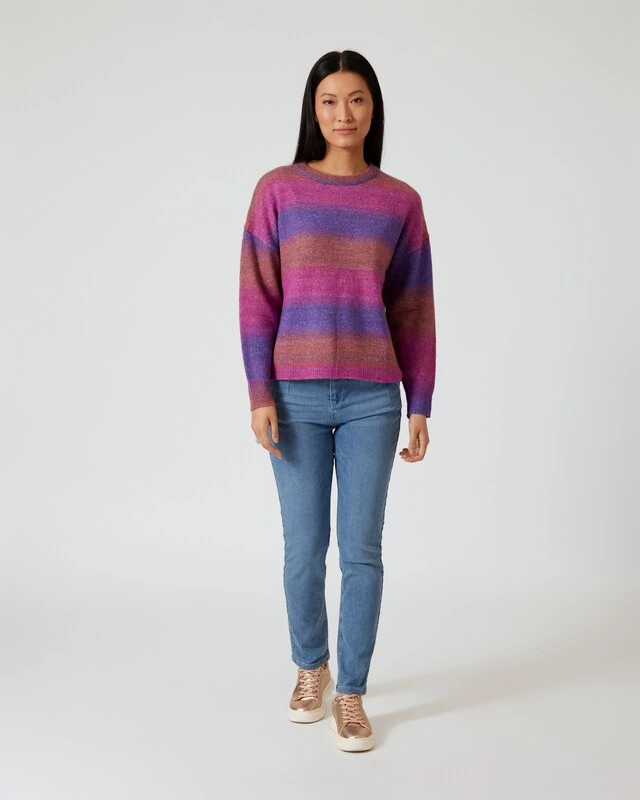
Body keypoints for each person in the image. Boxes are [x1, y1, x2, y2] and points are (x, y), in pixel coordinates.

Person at [238, 49, 436, 752]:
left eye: (356, 99)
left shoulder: (400, 202)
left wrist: (420, 402)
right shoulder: (278, 190)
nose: (342, 113)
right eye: (329, 100)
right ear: (312, 109)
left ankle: (350, 691)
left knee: (362, 551)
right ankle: (311, 668)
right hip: (292, 397)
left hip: (372, 400)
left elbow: (413, 308)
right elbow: (257, 298)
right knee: (302, 550)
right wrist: (259, 391)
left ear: (373, 109)